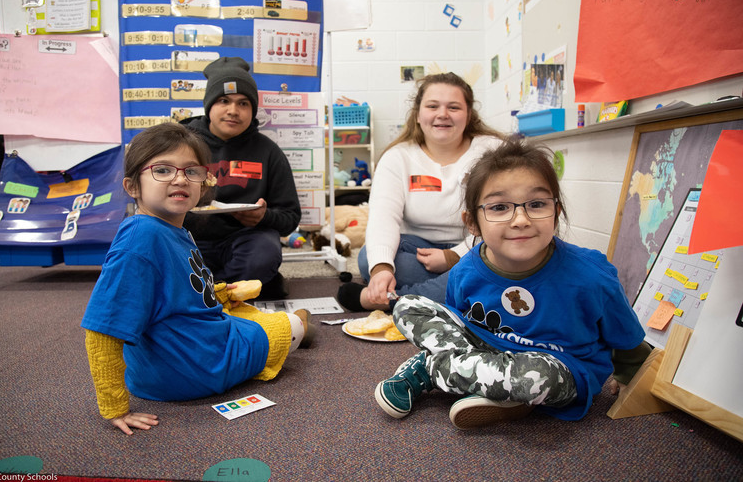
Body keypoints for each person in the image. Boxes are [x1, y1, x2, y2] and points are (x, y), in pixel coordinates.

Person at [374, 138, 650, 429]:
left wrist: (632, 375)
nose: (520, 219)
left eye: (536, 204)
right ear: (472, 223)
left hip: (559, 367)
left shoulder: (592, 274)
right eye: (499, 207)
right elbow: (458, 327)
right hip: (483, 351)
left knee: (534, 377)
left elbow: (626, 337)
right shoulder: (464, 270)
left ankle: (432, 370)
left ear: (556, 212)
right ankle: (489, 388)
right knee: (406, 306)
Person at [81, 122, 312, 435]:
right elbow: (102, 330)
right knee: (291, 324)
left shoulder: (170, 230)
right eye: (163, 170)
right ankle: (300, 330)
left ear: (204, 183)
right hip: (196, 367)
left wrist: (214, 293)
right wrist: (114, 407)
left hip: (168, 362)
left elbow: (174, 292)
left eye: (192, 171)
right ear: (132, 186)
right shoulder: (141, 239)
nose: (180, 178)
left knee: (246, 313)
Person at [337, 72, 506, 311]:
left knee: (497, 262)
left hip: (479, 248)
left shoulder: (494, 151)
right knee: (370, 259)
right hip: (419, 253)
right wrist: (382, 270)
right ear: (418, 114)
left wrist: (455, 257)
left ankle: (392, 302)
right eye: (433, 106)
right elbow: (383, 219)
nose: (442, 114)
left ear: (469, 115)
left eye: (454, 107)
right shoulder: (397, 157)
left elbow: (503, 219)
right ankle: (470, 294)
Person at [181, 57, 301, 299]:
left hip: (244, 239)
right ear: (209, 105)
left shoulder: (268, 152)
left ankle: (214, 290)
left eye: (243, 103)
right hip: (188, 239)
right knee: (159, 254)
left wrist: (263, 216)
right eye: (224, 101)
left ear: (253, 110)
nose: (233, 111)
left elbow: (290, 218)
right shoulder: (181, 144)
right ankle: (237, 289)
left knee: (264, 253)